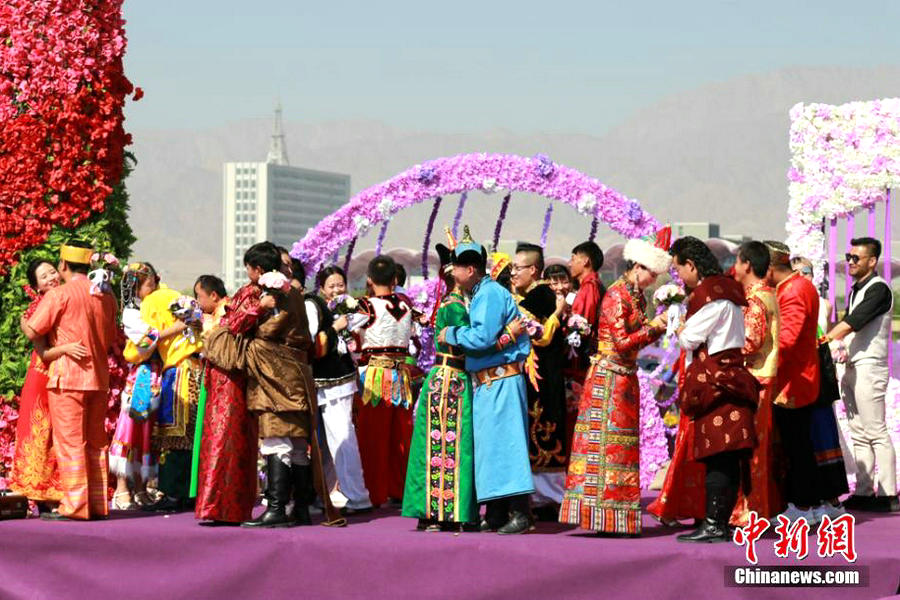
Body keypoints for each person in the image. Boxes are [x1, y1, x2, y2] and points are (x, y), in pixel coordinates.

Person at [559, 228, 669, 537]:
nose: (652, 280)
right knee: (605, 448)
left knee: (620, 447)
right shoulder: (617, 295)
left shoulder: (634, 295)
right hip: (608, 378)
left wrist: (655, 327)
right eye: (651, 273)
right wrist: (656, 328)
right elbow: (622, 342)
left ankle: (615, 515)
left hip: (624, 379)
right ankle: (601, 515)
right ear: (638, 267)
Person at [437, 226, 534, 534]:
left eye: (456, 266)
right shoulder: (483, 293)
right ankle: (495, 513)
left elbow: (481, 338)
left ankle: (520, 514)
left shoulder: (488, 294)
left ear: (470, 269)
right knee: (494, 448)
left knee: (507, 445)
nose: (452, 272)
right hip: (491, 380)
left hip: (500, 379)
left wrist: (450, 333)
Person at [238, 243, 337, 528]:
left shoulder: (281, 293)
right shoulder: (295, 293)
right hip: (295, 373)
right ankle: (301, 508)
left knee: (276, 437)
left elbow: (270, 330)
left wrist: (252, 320)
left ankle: (277, 509)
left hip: (276, 374)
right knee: (294, 442)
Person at [669, 237, 759, 543]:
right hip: (734, 375)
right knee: (728, 453)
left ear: (691, 265)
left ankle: (713, 523)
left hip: (717, 381)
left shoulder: (709, 295)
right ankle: (719, 522)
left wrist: (679, 326)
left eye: (679, 268)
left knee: (717, 453)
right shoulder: (729, 291)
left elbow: (688, 339)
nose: (680, 277)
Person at [24, 240, 118, 521]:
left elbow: (33, 330)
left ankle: (75, 506)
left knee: (71, 443)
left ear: (63, 265)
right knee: (96, 442)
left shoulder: (60, 295)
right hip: (98, 378)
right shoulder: (107, 297)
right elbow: (112, 337)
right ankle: (98, 504)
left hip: (68, 378)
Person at [403, 239, 481, 530]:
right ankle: (448, 513)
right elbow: (466, 344)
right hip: (453, 381)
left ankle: (431, 512)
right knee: (452, 445)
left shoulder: (449, 302)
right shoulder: (457, 306)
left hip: (442, 377)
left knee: (435, 444)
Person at [195, 246, 266, 525]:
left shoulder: (254, 294)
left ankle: (224, 506)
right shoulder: (250, 292)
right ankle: (221, 505)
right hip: (226, 373)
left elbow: (234, 325)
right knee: (224, 436)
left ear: (256, 269)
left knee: (227, 437)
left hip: (232, 375)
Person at [825, 237, 897, 512]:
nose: (851, 262)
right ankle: (865, 491)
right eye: (849, 256)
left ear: (872, 261)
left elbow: (853, 323)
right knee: (858, 431)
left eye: (856, 258)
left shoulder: (879, 290)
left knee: (875, 430)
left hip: (870, 366)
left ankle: (889, 495)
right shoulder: (857, 289)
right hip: (853, 365)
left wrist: (822, 341)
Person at [764, 241, 829, 523]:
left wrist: (759, 363)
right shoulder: (797, 286)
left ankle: (802, 507)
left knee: (797, 445)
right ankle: (811, 505)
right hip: (798, 376)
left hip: (793, 380)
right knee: (800, 443)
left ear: (769, 267)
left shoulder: (793, 290)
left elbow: (787, 340)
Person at [9, 259, 80, 511]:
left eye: (52, 272)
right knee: (39, 435)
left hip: (63, 376)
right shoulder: (33, 313)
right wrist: (69, 348)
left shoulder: (65, 301)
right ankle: (39, 495)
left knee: (57, 436)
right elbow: (44, 353)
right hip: (41, 378)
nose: (51, 278)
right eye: (43, 277)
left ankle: (55, 494)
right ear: (36, 287)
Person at [109, 262, 179, 510]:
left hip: (159, 372)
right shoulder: (131, 313)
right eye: (145, 285)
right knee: (131, 428)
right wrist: (177, 327)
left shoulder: (160, 304)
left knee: (149, 432)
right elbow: (146, 340)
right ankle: (121, 489)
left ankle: (141, 487)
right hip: (141, 376)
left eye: (151, 282)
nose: (150, 288)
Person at [308, 265, 373, 514]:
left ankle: (357, 496)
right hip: (320, 381)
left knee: (343, 439)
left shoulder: (348, 310)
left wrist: (343, 328)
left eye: (340, 284)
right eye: (331, 285)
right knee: (322, 444)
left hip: (338, 381)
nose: (337, 289)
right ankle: (322, 494)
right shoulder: (317, 309)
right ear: (322, 288)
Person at [511, 242, 569, 514]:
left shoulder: (539, 297)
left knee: (543, 427)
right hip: (541, 374)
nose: (513, 273)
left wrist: (557, 314)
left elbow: (543, 337)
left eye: (517, 268)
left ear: (533, 270)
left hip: (542, 375)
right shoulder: (536, 296)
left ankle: (548, 497)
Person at [354, 255, 416, 507]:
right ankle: (400, 490)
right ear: (394, 279)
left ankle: (374, 491)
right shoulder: (407, 307)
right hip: (401, 376)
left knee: (373, 437)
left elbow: (356, 340)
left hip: (375, 377)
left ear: (369, 279)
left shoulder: (365, 307)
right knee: (400, 437)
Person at [730, 241, 784, 524]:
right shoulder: (767, 294)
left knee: (748, 448)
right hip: (763, 378)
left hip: (754, 379)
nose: (734, 268)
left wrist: (717, 348)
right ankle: (760, 508)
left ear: (747, 265)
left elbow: (750, 342)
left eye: (737, 262)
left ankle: (749, 511)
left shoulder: (755, 299)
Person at [189, 274, 228, 499]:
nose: (197, 301)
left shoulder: (224, 313)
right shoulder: (213, 314)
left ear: (213, 295)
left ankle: (215, 492)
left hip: (223, 382)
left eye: (199, 296)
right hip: (213, 378)